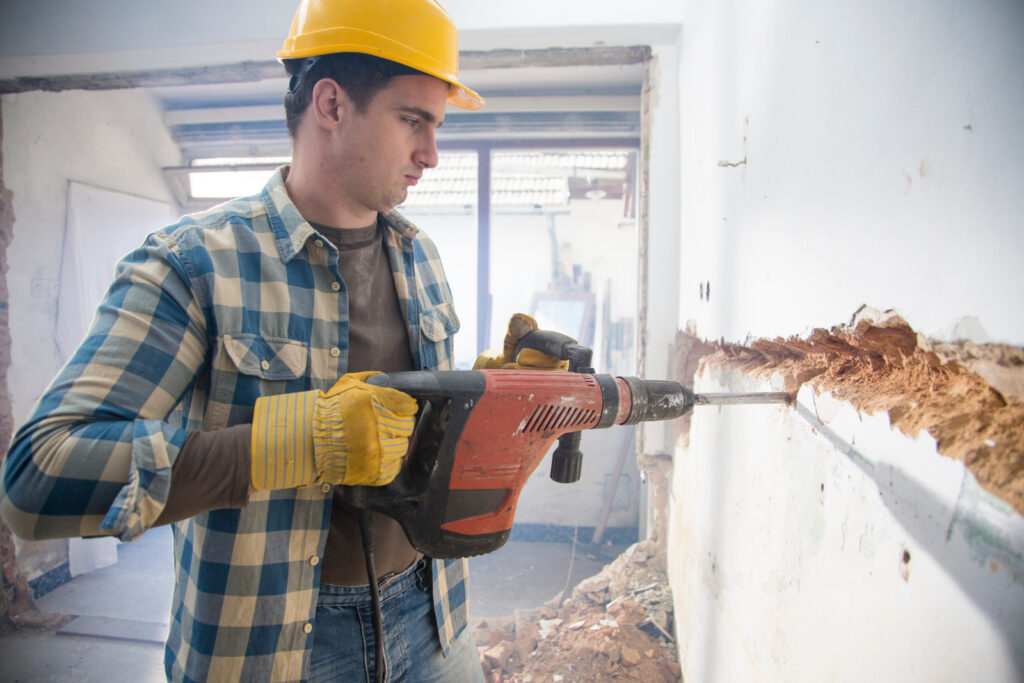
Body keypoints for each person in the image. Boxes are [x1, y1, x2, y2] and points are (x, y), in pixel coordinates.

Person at [0, 1, 558, 680]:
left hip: (433, 612)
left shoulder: (421, 257)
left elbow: (413, 447)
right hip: (272, 648)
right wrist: (291, 442)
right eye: (414, 121)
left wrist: (487, 400)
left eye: (435, 128)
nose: (432, 155)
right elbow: (37, 477)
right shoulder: (193, 263)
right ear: (331, 104)